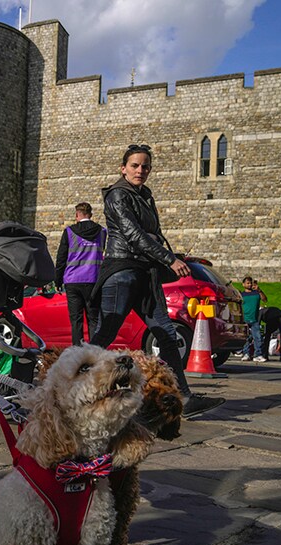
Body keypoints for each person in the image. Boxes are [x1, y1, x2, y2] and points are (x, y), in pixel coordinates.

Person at [89, 144, 222, 417]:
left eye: (145, 166)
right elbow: (133, 234)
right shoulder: (117, 195)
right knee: (105, 334)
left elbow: (153, 234)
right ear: (123, 168)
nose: (141, 170)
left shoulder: (144, 195)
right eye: (135, 165)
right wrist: (169, 259)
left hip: (144, 272)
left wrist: (171, 254)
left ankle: (182, 397)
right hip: (122, 270)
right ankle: (75, 388)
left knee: (166, 334)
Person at [54, 201, 105, 346]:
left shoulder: (69, 232)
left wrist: (57, 281)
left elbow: (61, 258)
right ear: (91, 214)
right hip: (93, 280)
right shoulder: (102, 232)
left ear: (77, 215)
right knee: (94, 319)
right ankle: (95, 352)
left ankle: (78, 353)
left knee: (76, 320)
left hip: (72, 281)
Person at [239, 276, 267, 361]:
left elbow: (265, 299)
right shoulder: (241, 295)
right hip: (245, 318)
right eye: (247, 283)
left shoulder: (256, 293)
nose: (249, 284)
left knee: (257, 337)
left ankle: (258, 354)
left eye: (250, 283)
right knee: (246, 338)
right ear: (243, 284)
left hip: (255, 319)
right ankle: (246, 353)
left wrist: (259, 290)